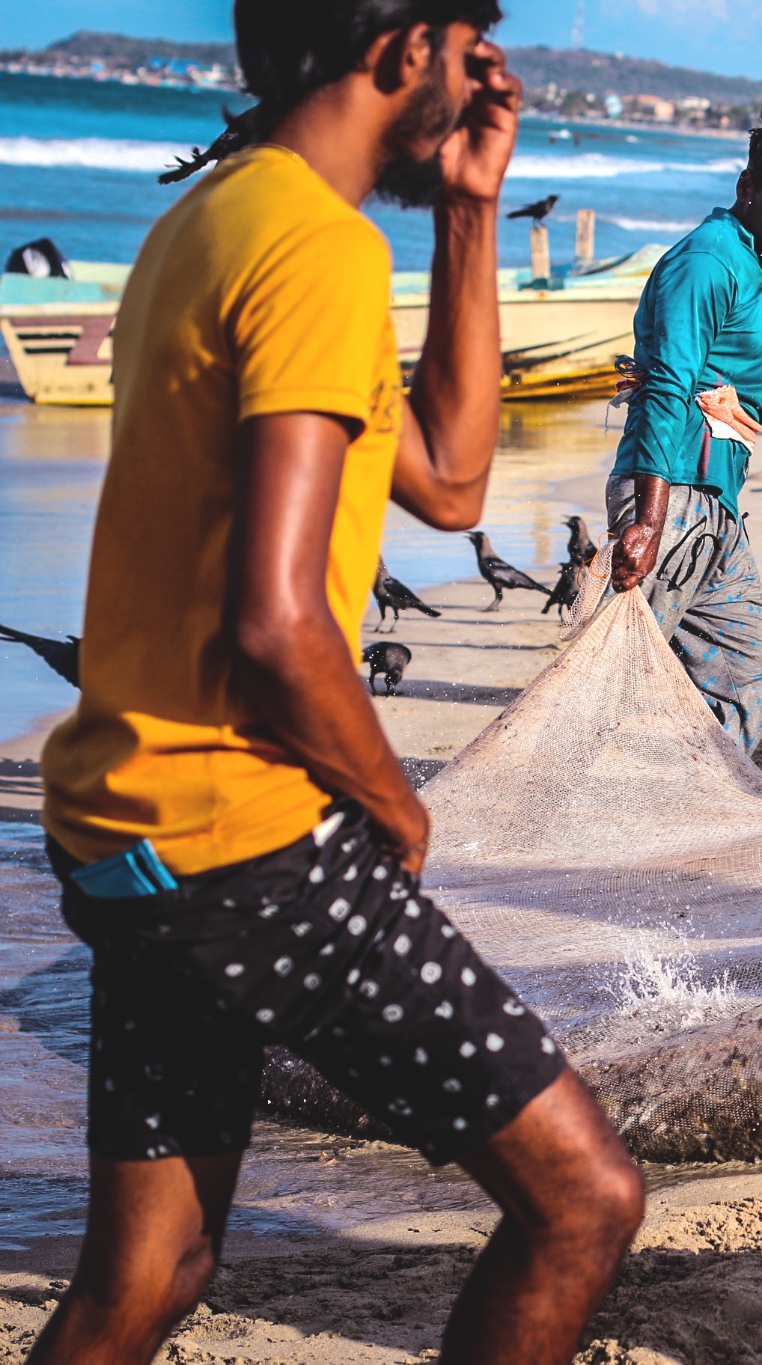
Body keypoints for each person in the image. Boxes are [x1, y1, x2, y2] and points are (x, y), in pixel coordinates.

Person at [30, 4, 645, 1363]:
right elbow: (279, 619)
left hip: (138, 840)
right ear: (399, 48)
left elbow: (452, 475)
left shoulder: (214, 218)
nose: (485, 74)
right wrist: (395, 806)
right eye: (468, 43)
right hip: (256, 847)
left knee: (151, 1276)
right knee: (583, 1198)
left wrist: (472, 212)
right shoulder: (316, 248)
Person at [607, 106, 762, 751]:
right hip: (671, 494)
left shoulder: (749, 261)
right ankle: (568, 807)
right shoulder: (710, 262)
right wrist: (648, 523)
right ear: (746, 190)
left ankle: (693, 804)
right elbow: (666, 383)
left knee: (745, 674)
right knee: (618, 679)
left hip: (715, 503)